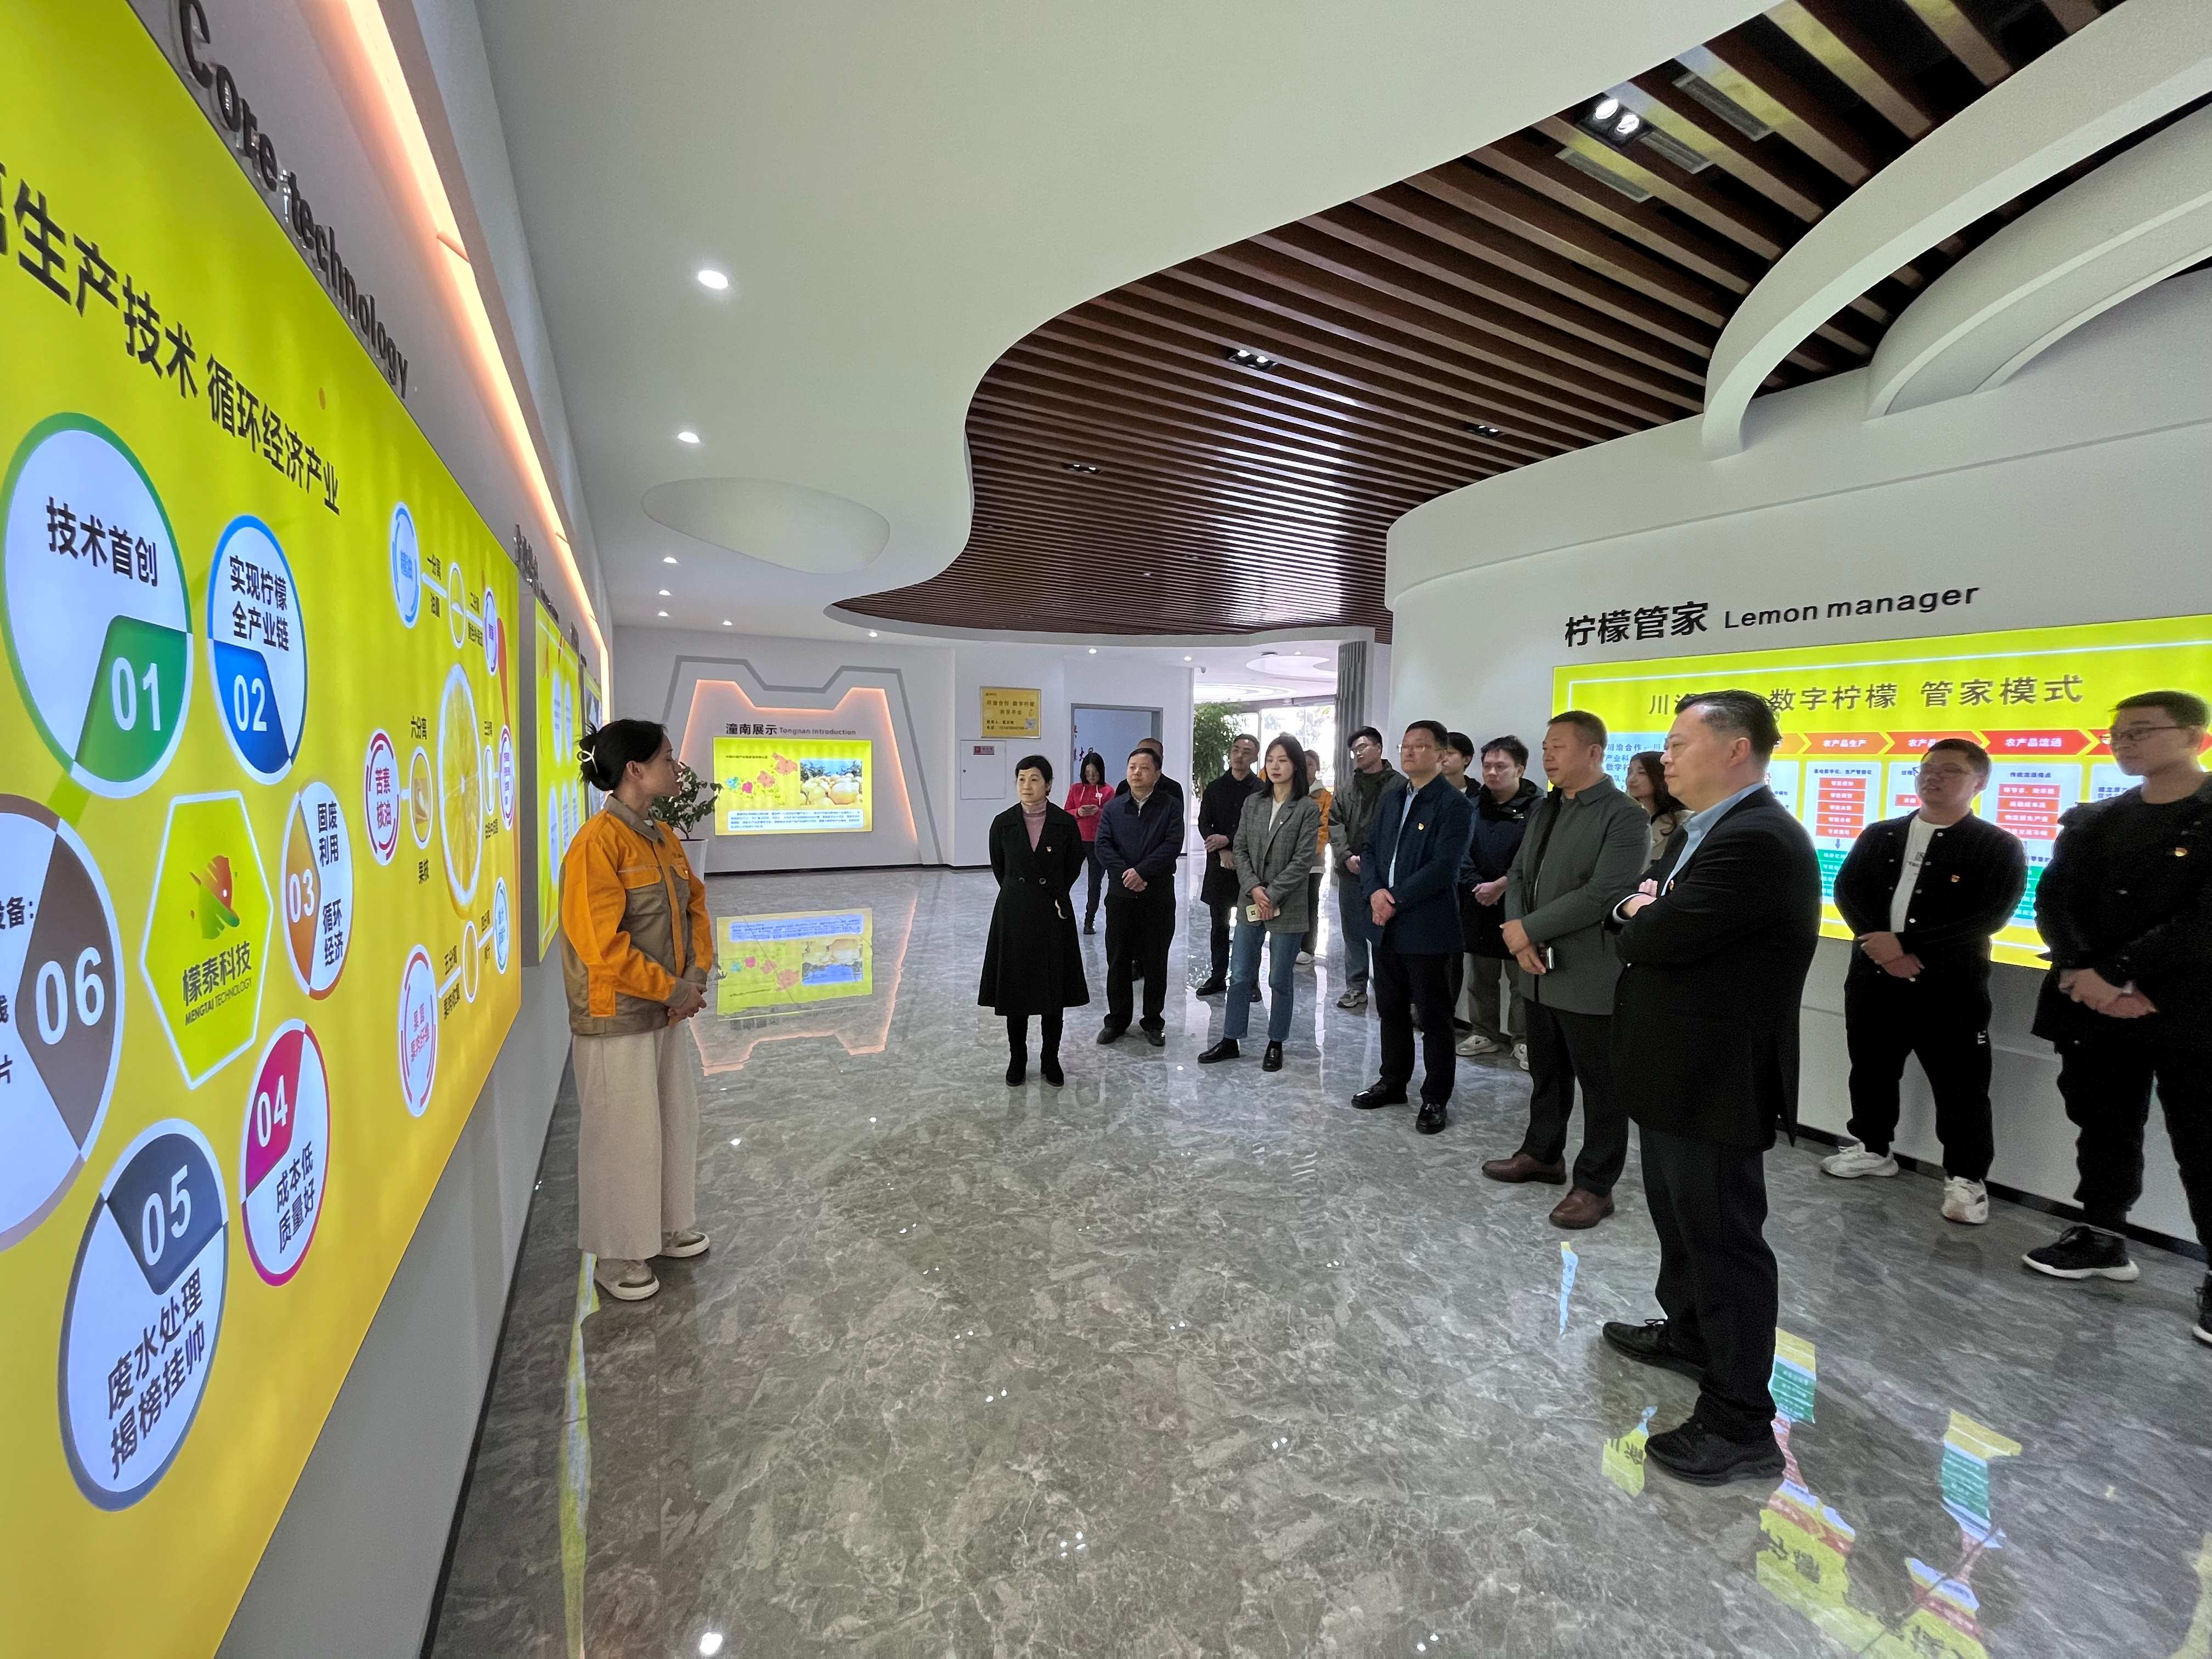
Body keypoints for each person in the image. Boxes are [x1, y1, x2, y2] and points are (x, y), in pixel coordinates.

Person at [1600, 691, 1820, 1485]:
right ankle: (1690, 1334)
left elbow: (1651, 931)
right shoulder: (1703, 830)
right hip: (1675, 1069)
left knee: (1724, 1240)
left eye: (1679, 743)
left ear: (1735, 750)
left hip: (1716, 1076)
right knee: (1680, 1220)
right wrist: (1640, 910)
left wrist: (1641, 912)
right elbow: (1629, 912)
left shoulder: (1758, 838)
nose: (1665, 758)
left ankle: (1740, 1419)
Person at [2021, 690, 2212, 1347]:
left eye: (2142, 731)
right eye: (2119, 734)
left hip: (2188, 1007)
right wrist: (2085, 971)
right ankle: (2102, 1236)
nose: (2125, 743)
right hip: (2093, 1004)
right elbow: (2055, 901)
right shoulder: (2095, 819)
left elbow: (2202, 921)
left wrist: (2122, 973)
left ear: (2194, 737)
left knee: (2203, 1141)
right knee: (2102, 1124)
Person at [1824, 740, 2027, 1224]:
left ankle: (1966, 1178)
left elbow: (1990, 916)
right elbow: (1848, 890)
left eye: (1950, 771)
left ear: (1980, 783)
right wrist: (1879, 945)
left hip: (1950, 988)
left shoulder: (1997, 845)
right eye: (1927, 768)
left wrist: (1909, 947)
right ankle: (1874, 1148)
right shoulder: (1882, 834)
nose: (1933, 777)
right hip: (1874, 978)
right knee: (1871, 1069)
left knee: (1961, 1086)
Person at [560, 719, 712, 1304]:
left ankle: (668, 1225)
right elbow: (602, 947)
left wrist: (695, 976)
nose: (677, 768)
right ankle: (619, 1252)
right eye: (668, 758)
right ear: (635, 770)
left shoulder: (663, 836)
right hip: (617, 1016)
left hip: (667, 1010)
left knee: (671, 1122)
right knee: (622, 1134)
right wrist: (672, 990)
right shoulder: (597, 843)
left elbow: (695, 908)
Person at [1484, 712, 1649, 1228]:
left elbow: (1604, 893)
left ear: (1594, 753)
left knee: (1601, 1087)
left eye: (1558, 746)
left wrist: (1527, 929)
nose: (1548, 756)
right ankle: (1542, 1155)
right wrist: (1519, 932)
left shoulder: (1624, 816)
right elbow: (1519, 872)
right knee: (1547, 1074)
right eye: (1545, 746)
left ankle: (1596, 1185)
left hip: (1588, 974)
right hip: (1537, 967)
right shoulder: (1547, 806)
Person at [1352, 722, 1475, 1133]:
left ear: (1441, 755)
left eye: (1421, 746)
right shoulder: (1392, 798)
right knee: (1390, 1010)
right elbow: (1370, 850)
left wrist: (1394, 899)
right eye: (1406, 745)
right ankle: (1393, 1081)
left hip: (1427, 928)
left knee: (1434, 1018)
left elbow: (1444, 868)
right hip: (1384, 925)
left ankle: (1436, 1097)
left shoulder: (1453, 805)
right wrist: (1375, 892)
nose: (1410, 752)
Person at [1201, 737, 1321, 1071]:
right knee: (1240, 975)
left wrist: (1273, 893)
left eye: (1283, 760)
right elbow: (1239, 848)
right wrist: (1254, 888)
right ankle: (1230, 1039)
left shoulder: (1307, 808)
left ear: (1295, 766)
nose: (1275, 766)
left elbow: (1303, 860)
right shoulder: (1253, 803)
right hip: (1251, 899)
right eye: (1270, 760)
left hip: (1288, 903)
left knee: (1280, 979)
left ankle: (1276, 1042)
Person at [981, 755, 1090, 1087]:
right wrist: (1021, 892)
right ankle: (1018, 1058)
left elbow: (1073, 866)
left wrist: (1049, 890)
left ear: (1049, 785)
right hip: (1014, 912)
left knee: (1052, 990)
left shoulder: (1064, 823)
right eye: (1021, 779)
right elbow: (1001, 868)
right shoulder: (1003, 823)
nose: (1027, 786)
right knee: (1015, 990)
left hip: (1053, 912)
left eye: (1034, 779)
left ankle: (1050, 1058)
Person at [1096, 745, 1183, 1047]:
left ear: (1157, 774)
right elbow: (1103, 845)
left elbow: (1172, 845)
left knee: (1155, 960)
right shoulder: (1113, 808)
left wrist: (1142, 872)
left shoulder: (1171, 807)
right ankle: (1117, 1021)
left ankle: (1153, 1022)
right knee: (1118, 959)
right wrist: (1127, 874)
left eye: (1145, 768)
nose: (1137, 773)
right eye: (1132, 767)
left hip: (1157, 895)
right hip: (1121, 896)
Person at [1458, 736, 1538, 1063]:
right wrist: (1480, 886)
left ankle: (1523, 1040)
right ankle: (1484, 1033)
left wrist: (1502, 886)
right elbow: (1461, 851)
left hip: (1519, 903)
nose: (1492, 772)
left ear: (1520, 769)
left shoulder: (1538, 807)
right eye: (1487, 766)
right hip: (1479, 901)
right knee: (1482, 976)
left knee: (1522, 979)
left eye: (1501, 766)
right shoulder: (1473, 805)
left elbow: (1532, 857)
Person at [1332, 726, 1400, 1009]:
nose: (1358, 754)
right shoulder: (1347, 787)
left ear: (1379, 749)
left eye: (1363, 748)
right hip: (1351, 871)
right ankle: (1356, 986)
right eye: (1354, 751)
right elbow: (1335, 824)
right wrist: (1346, 856)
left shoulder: (1399, 785)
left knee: (1386, 932)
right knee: (1353, 931)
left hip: (1384, 874)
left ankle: (1389, 989)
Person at [1195, 735, 1265, 996]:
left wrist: (1230, 840)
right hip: (1220, 865)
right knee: (1219, 926)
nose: (1239, 756)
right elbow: (1205, 823)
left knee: (1252, 925)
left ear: (1255, 757)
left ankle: (1251, 981)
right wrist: (1223, 849)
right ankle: (1217, 977)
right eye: (1236, 750)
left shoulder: (1261, 790)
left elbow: (1258, 827)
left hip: (1251, 867)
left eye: (1246, 752)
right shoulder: (1215, 787)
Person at [1440, 731, 1481, 1029]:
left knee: (1459, 956)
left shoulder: (1480, 797)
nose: (1444, 758)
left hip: (1469, 886)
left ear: (1466, 759)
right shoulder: (1426, 794)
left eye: (1451, 753)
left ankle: (1451, 1014)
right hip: (1436, 888)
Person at [1064, 751, 1114, 935]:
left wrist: (1098, 812)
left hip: (1098, 843)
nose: (1091, 777)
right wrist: (1078, 812)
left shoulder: (1109, 791)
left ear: (1101, 772)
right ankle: (1062, 914)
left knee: (1095, 883)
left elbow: (1113, 817)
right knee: (1066, 877)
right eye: (1088, 773)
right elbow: (1066, 813)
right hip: (1077, 841)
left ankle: (1089, 920)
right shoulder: (1076, 789)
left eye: (1095, 773)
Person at [1298, 748, 1333, 966]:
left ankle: (1308, 948)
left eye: (1310, 764)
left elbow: (1324, 830)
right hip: (1288, 862)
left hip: (1313, 863)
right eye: (1302, 764)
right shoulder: (1290, 792)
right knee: (1292, 904)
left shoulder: (1325, 797)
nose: (1306, 768)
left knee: (1310, 904)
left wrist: (1303, 851)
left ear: (1317, 768)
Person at [1625, 749, 1689, 865]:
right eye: (1629, 772)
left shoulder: (1683, 820)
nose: (1632, 779)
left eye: (1642, 773)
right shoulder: (1624, 818)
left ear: (1659, 776)